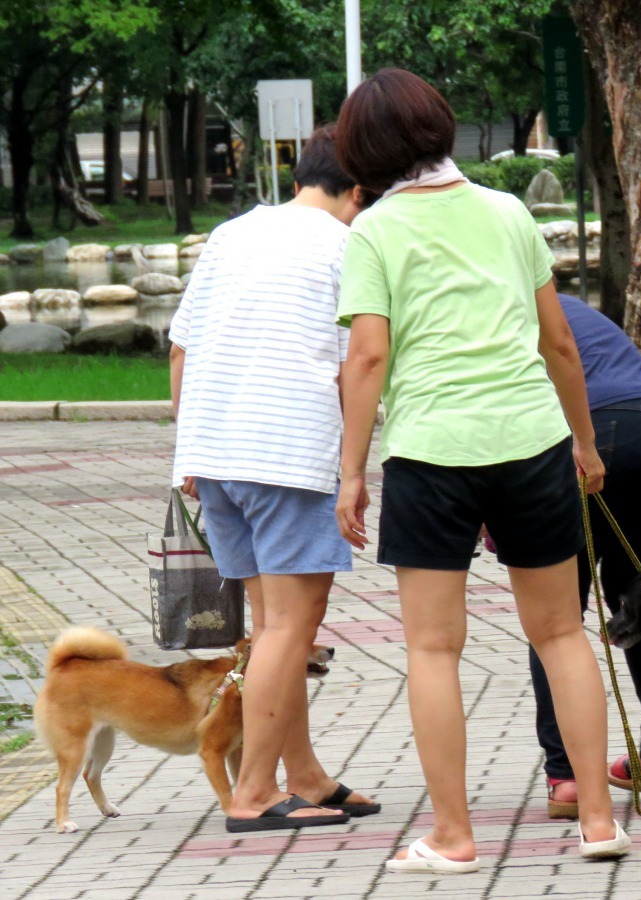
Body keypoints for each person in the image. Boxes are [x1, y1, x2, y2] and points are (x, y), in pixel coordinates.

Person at [333, 68, 631, 872]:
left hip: (432, 451)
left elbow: (366, 357)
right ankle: (599, 823)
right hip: (532, 441)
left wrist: (351, 471)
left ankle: (454, 837)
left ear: (365, 149)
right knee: (562, 633)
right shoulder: (508, 213)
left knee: (434, 651)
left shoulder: (375, 231)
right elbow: (558, 343)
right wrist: (585, 443)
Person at [170, 127, 380, 831]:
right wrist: (353, 470)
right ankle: (254, 794)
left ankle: (307, 778)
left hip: (218, 460)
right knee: (291, 630)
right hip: (287, 457)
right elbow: (361, 364)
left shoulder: (230, 235)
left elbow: (181, 346)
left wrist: (188, 451)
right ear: (356, 192)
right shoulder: (345, 246)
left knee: (274, 632)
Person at [528, 294, 641, 820]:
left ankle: (567, 777)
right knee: (639, 592)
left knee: (554, 613)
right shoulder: (562, 298)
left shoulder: (491, 304)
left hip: (601, 429)